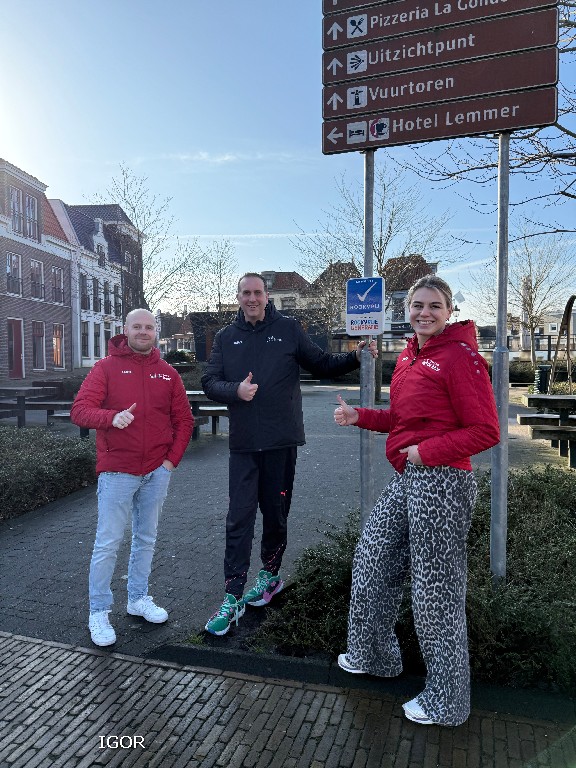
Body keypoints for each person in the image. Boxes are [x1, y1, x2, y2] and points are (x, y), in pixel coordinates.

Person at [334, 275, 499, 727]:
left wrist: (425, 453)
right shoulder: (410, 354)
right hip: (410, 476)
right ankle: (376, 657)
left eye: (435, 306)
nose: (424, 312)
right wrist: (360, 416)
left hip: (444, 482)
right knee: (371, 559)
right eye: (417, 305)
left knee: (435, 593)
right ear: (406, 310)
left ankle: (448, 702)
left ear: (449, 311)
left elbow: (486, 431)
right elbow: (405, 418)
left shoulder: (461, 357)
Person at [201, 272, 377, 636]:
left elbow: (322, 363)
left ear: (268, 297)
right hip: (244, 445)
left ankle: (269, 575)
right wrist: (236, 390)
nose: (252, 298)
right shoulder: (225, 337)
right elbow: (209, 381)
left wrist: (356, 356)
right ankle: (232, 595)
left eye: (258, 293)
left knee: (276, 513)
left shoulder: (289, 328)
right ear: (238, 297)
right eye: (246, 293)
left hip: (282, 442)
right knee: (239, 517)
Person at [71, 309, 193, 647]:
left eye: (149, 327)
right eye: (136, 326)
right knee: (108, 543)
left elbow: (184, 421)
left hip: (157, 471)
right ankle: (98, 611)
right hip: (117, 472)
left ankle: (138, 599)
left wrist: (170, 462)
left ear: (156, 332)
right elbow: (80, 410)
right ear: (124, 330)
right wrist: (111, 418)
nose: (143, 332)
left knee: (146, 539)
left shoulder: (168, 374)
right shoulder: (105, 368)